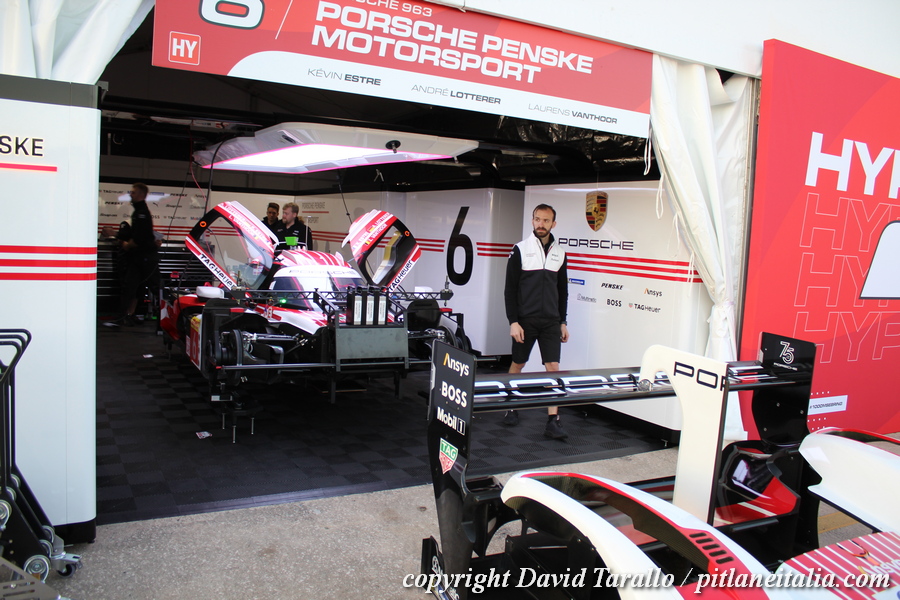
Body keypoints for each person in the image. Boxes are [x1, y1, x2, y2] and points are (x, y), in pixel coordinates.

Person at [503, 203, 570, 439]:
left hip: (551, 321)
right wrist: (513, 321)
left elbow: (562, 291)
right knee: (518, 364)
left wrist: (563, 321)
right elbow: (510, 289)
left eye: (546, 220)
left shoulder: (560, 253)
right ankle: (511, 406)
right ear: (532, 221)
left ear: (553, 223)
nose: (541, 224)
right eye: (537, 219)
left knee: (553, 368)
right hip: (525, 321)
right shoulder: (520, 249)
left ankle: (553, 421)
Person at [115, 182, 159, 326]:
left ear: (141, 195)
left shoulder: (141, 213)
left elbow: (140, 238)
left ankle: (167, 317)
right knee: (129, 287)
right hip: (139, 257)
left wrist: (126, 244)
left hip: (146, 257)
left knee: (156, 288)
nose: (131, 195)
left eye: (133, 192)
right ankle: (121, 317)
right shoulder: (138, 212)